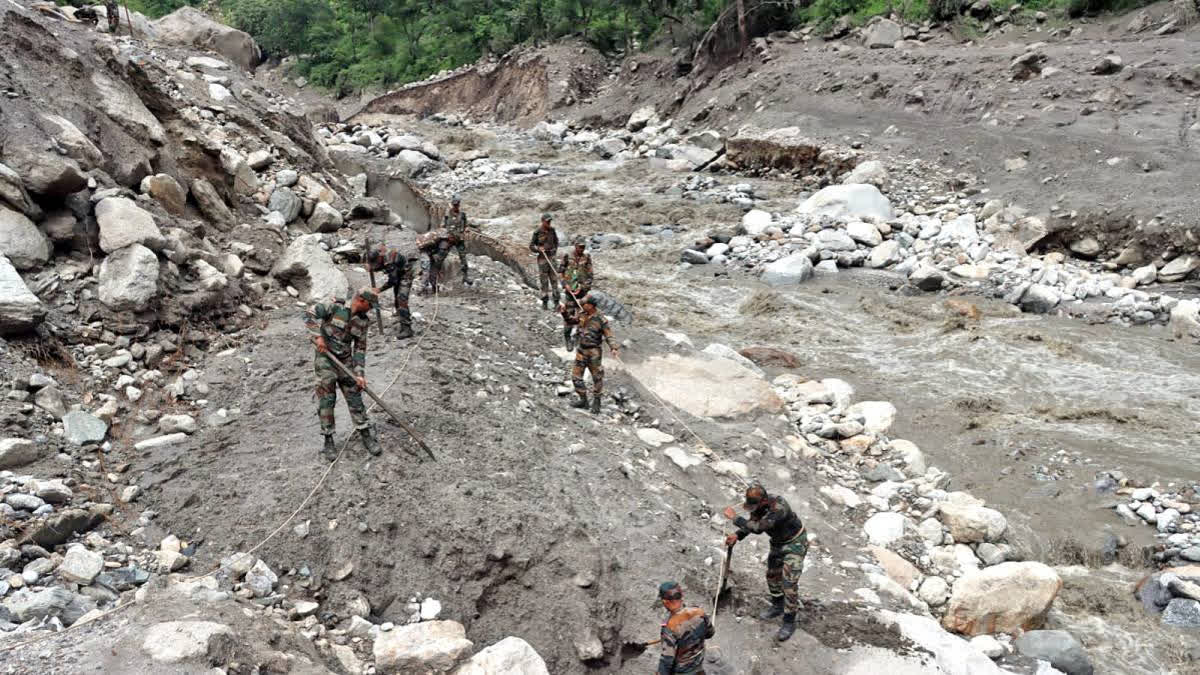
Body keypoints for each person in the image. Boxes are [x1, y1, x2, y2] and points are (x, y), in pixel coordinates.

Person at [723, 482, 808, 642]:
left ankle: (789, 621)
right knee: (772, 576)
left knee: (789, 582)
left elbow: (759, 527)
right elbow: (752, 522)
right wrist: (737, 535)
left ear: (762, 501)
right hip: (778, 543)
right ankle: (777, 605)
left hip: (795, 543)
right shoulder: (759, 507)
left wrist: (735, 518)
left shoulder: (779, 507)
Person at [305, 289, 381, 460]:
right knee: (327, 399)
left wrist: (360, 374)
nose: (370, 309)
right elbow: (308, 315)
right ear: (361, 300)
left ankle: (365, 433)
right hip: (326, 359)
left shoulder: (363, 321)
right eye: (370, 305)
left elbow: (360, 348)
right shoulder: (334, 306)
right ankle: (328, 439)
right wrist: (318, 337)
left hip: (345, 362)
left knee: (355, 396)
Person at [571, 295, 618, 414]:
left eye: (584, 304)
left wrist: (613, 347)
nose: (582, 305)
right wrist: (564, 314)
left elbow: (609, 335)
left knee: (597, 377)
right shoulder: (582, 314)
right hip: (581, 351)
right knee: (576, 377)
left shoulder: (601, 319)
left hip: (594, 353)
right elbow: (571, 321)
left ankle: (597, 402)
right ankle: (583, 400)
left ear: (591, 305)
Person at [656, 581, 714, 675]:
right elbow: (710, 633)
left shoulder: (670, 627)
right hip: (698, 669)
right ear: (681, 596)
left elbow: (667, 661)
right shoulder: (699, 612)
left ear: (665, 602)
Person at [368, 245, 416, 340]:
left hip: (406, 273)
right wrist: (372, 268)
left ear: (379, 257)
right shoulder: (379, 256)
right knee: (396, 296)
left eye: (375, 262)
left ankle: (407, 329)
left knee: (401, 298)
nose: (375, 265)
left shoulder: (390, 261)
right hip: (398, 272)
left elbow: (393, 281)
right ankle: (401, 316)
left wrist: (380, 289)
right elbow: (379, 266)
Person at [557, 237, 594, 350]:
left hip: (582, 292)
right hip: (570, 292)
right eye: (580, 247)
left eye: (583, 247)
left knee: (583, 316)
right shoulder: (567, 256)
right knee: (568, 316)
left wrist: (583, 287)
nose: (581, 249)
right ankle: (568, 338)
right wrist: (565, 285)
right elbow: (560, 272)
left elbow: (590, 276)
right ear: (575, 246)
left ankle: (578, 337)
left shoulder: (587, 257)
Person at [528, 213, 560, 310]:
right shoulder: (537, 232)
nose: (549, 223)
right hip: (542, 260)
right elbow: (531, 246)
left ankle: (556, 302)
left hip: (552, 258)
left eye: (550, 221)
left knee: (554, 280)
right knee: (544, 282)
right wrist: (538, 249)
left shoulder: (552, 230)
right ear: (542, 221)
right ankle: (545, 302)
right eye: (547, 221)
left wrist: (554, 250)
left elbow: (556, 242)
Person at [443, 195, 472, 285]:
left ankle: (465, 277)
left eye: (457, 205)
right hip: (449, 239)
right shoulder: (447, 214)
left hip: (459, 239)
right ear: (452, 204)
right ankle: (436, 275)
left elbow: (466, 224)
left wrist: (466, 228)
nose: (456, 206)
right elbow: (443, 225)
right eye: (454, 205)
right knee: (441, 255)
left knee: (463, 258)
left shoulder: (462, 214)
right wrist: (446, 234)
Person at [417, 229, 453, 295]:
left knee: (433, 270)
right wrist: (437, 266)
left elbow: (439, 258)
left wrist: (437, 267)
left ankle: (434, 287)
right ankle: (421, 289)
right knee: (426, 270)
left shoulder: (442, 239)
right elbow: (440, 255)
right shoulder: (443, 241)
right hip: (425, 251)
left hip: (431, 251)